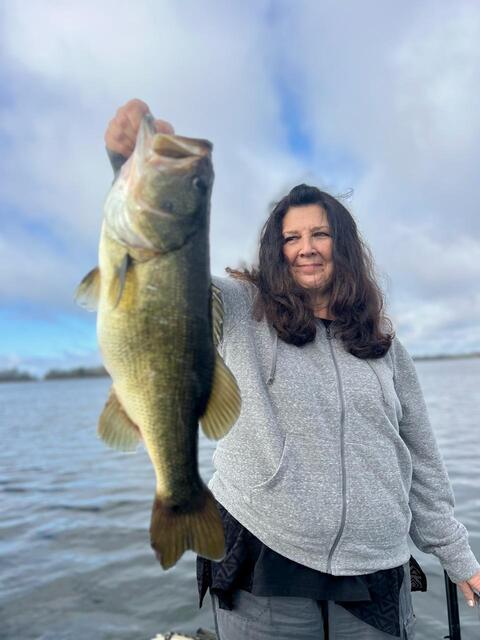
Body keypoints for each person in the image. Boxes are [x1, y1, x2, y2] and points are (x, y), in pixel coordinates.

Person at [105, 99, 480, 639]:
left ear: (342, 244)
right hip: (265, 564)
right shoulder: (241, 306)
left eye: (320, 234)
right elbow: (159, 274)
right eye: (291, 238)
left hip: (375, 572)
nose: (306, 248)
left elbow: (421, 455)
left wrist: (456, 552)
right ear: (277, 250)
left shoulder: (384, 342)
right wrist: (126, 170)